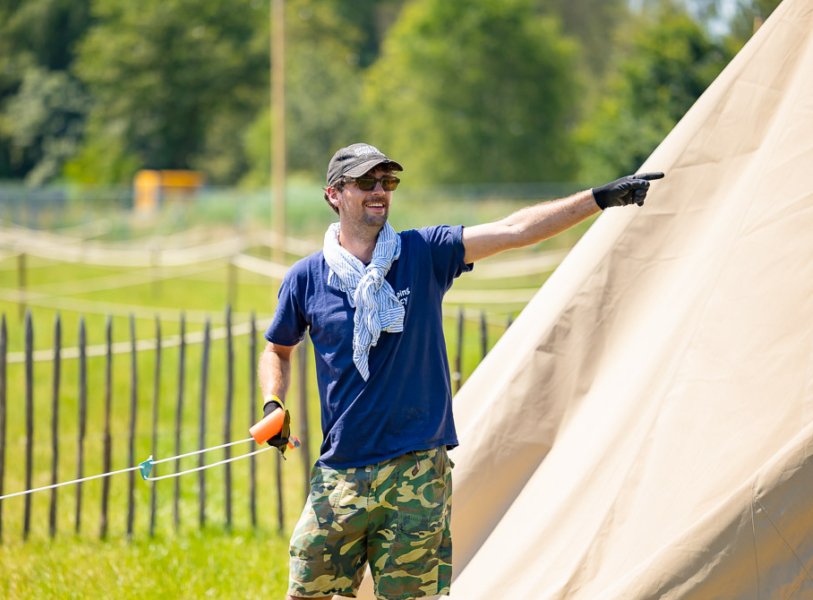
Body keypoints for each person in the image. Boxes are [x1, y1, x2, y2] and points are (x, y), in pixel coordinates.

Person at [258, 143, 663, 600]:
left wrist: (599, 198)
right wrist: (274, 401)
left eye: (387, 182)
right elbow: (278, 350)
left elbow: (514, 229)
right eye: (366, 182)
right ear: (334, 194)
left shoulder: (424, 252)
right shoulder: (306, 277)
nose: (380, 191)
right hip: (341, 471)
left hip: (416, 471)